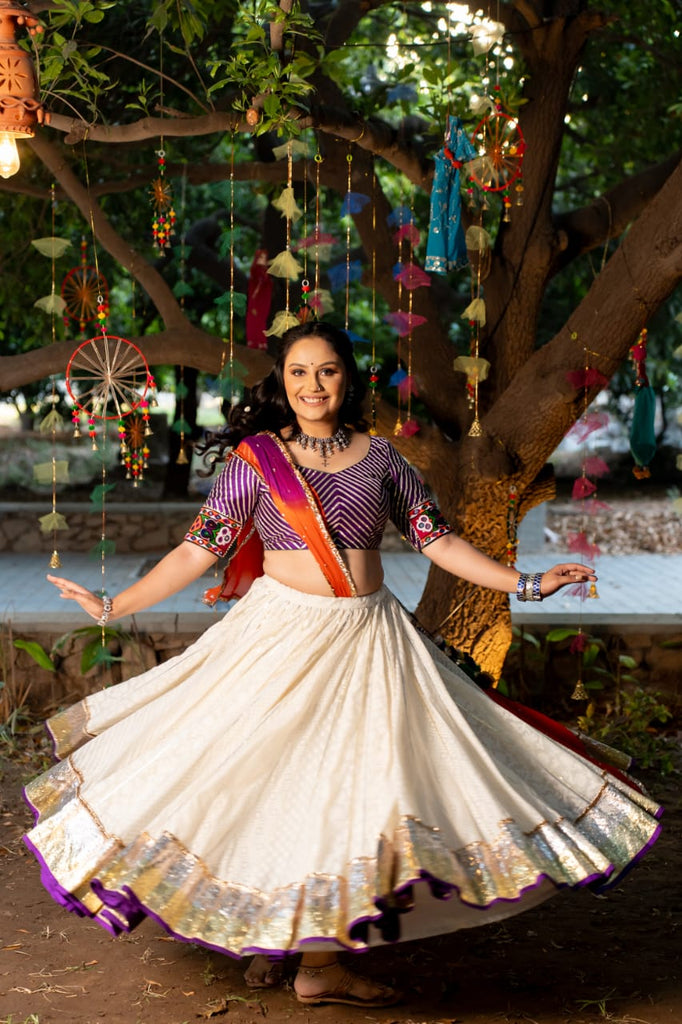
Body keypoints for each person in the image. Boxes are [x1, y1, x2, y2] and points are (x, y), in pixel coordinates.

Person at [24, 321, 661, 1009]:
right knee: (270, 788)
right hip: (280, 639)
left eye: (326, 371)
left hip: (369, 639)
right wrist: (112, 605)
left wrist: (527, 584)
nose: (312, 386)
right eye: (298, 373)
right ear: (282, 381)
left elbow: (438, 543)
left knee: (348, 793)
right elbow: (196, 552)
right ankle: (299, 950)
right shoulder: (255, 460)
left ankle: (306, 950)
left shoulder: (384, 459)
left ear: (347, 378)